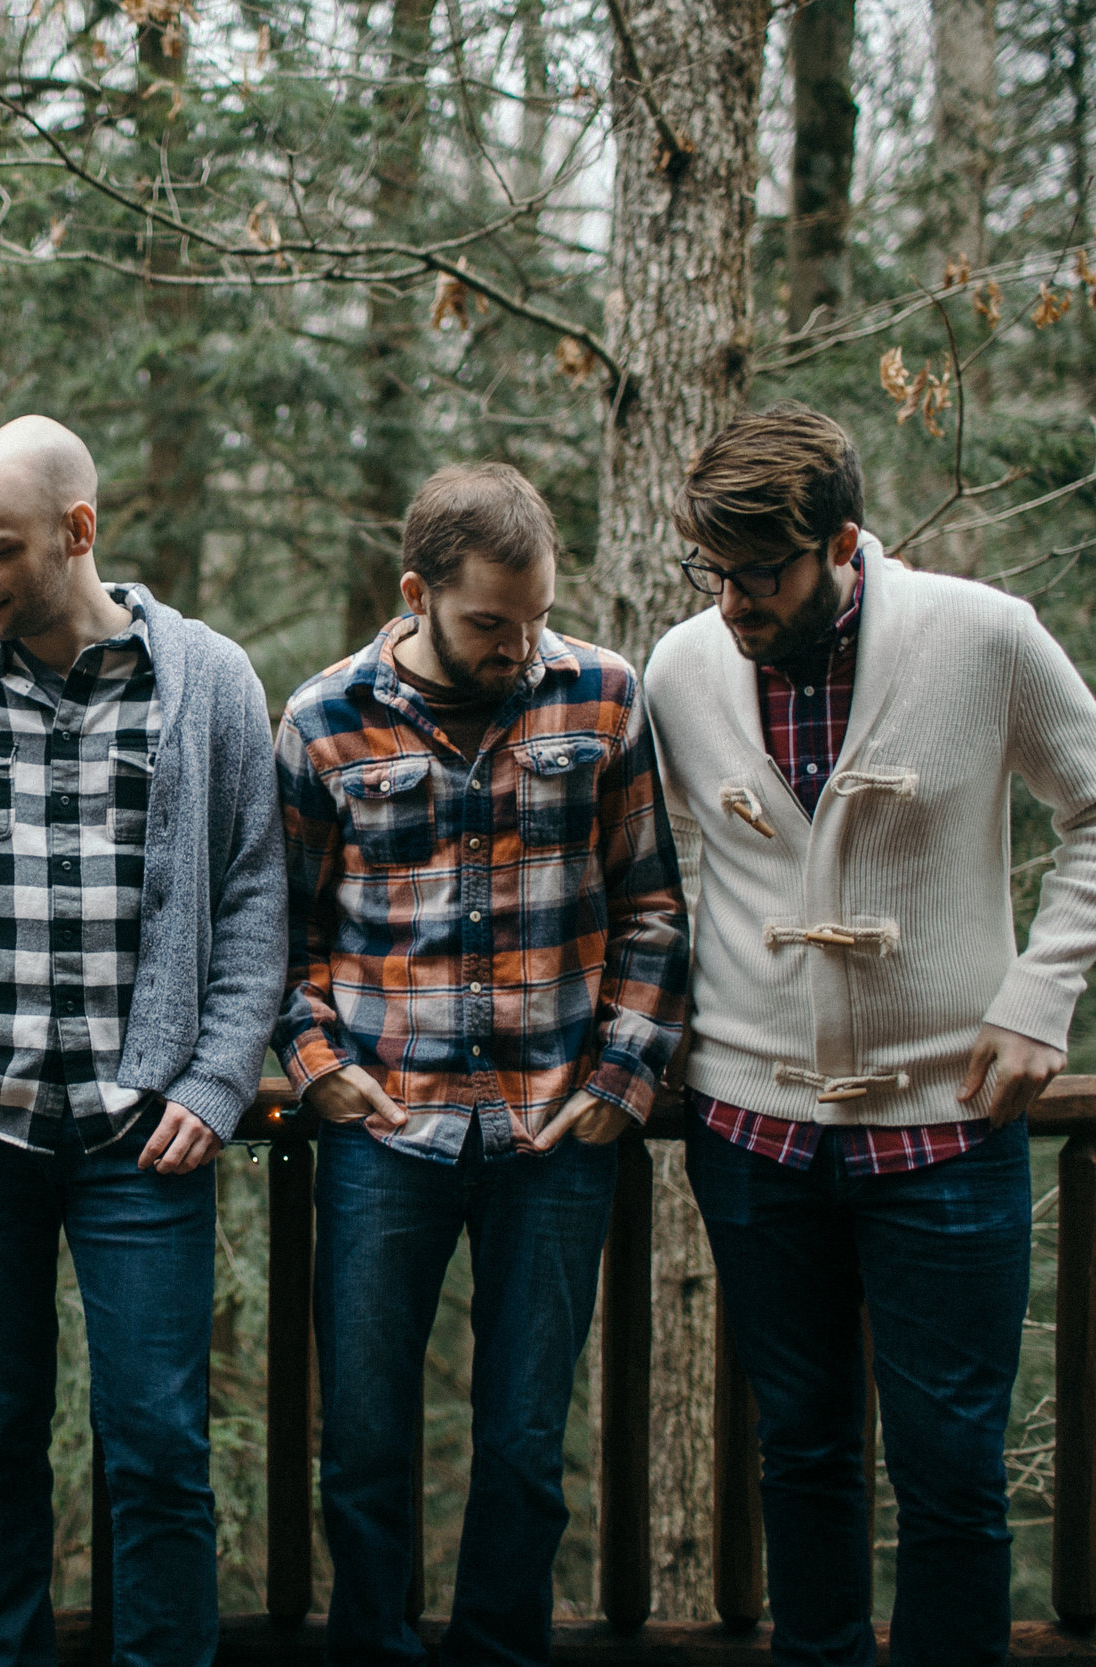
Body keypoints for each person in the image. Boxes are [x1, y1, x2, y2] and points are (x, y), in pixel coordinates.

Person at [645, 404, 1096, 1667]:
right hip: (749, 1134)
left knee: (950, 1473)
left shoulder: (980, 636)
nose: (732, 602)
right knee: (803, 1455)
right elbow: (657, 866)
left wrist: (1040, 995)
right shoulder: (681, 666)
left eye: (761, 573)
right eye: (712, 571)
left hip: (945, 1129)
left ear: (844, 542)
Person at [0, 415, 285, 1667]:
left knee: (155, 1441)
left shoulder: (206, 679)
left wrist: (216, 1072)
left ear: (76, 533)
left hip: (141, 1131)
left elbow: (254, 895)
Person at [274, 462, 688, 1667]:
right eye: (486, 624)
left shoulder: (603, 696)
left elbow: (653, 908)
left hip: (554, 1133)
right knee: (361, 1438)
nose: (517, 645)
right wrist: (316, 1064)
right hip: (380, 1133)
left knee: (521, 1439)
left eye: (533, 616)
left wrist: (620, 1078)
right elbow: (282, 931)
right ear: (417, 593)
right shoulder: (319, 720)